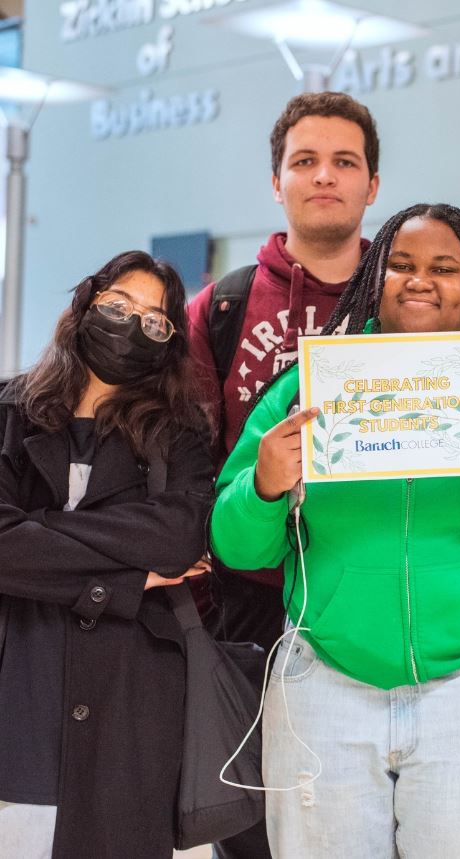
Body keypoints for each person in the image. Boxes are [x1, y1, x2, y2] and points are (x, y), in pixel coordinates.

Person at [211, 203, 460, 858]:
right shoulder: (307, 392)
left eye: (444, 268)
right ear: (372, 278)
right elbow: (237, 545)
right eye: (401, 265)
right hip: (324, 685)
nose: (420, 280)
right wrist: (265, 484)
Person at [187, 89, 380, 859]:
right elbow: (189, 457)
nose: (323, 175)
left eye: (344, 161)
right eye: (304, 161)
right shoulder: (222, 307)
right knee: (251, 824)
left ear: (373, 185)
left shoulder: (410, 301)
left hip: (367, 593)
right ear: (277, 182)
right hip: (250, 601)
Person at [0, 251, 213, 859]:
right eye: (118, 306)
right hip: (22, 680)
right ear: (84, 305)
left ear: (170, 343)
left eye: (154, 320)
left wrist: (37, 531)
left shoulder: (181, 431)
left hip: (132, 696)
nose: (131, 325)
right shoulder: (8, 412)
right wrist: (121, 580)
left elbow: (177, 538)